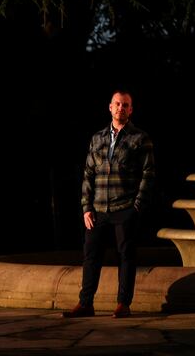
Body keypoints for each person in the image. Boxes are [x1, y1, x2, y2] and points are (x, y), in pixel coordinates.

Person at [63, 89, 155, 318]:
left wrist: (137, 207)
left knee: (126, 256)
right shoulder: (97, 138)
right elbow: (88, 174)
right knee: (91, 256)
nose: (121, 108)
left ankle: (123, 304)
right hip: (98, 210)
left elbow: (149, 173)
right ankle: (85, 304)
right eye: (117, 104)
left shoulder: (140, 138)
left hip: (125, 208)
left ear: (131, 110)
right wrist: (86, 208)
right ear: (110, 107)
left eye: (125, 105)